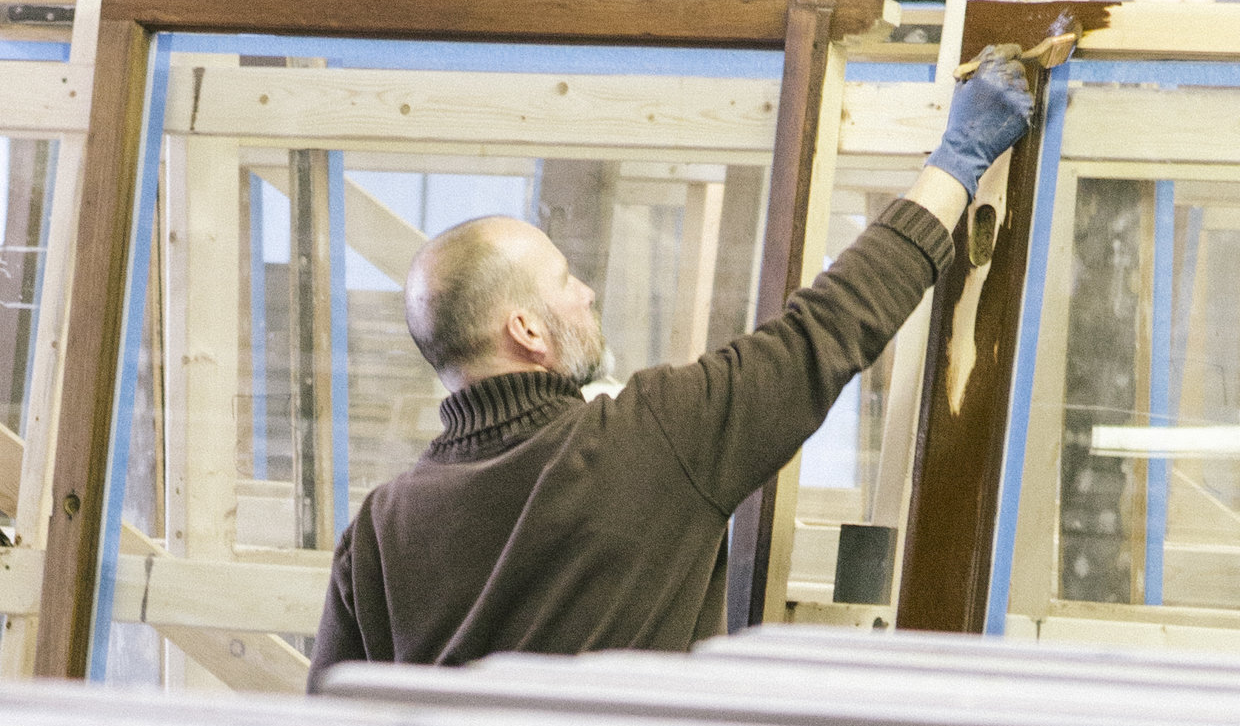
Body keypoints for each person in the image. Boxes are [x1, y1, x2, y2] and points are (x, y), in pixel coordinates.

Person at [307, 50, 1038, 683]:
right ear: (526, 328)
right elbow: (831, 326)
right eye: (565, 280)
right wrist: (956, 165)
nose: (586, 292)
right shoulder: (645, 441)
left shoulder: (379, 529)